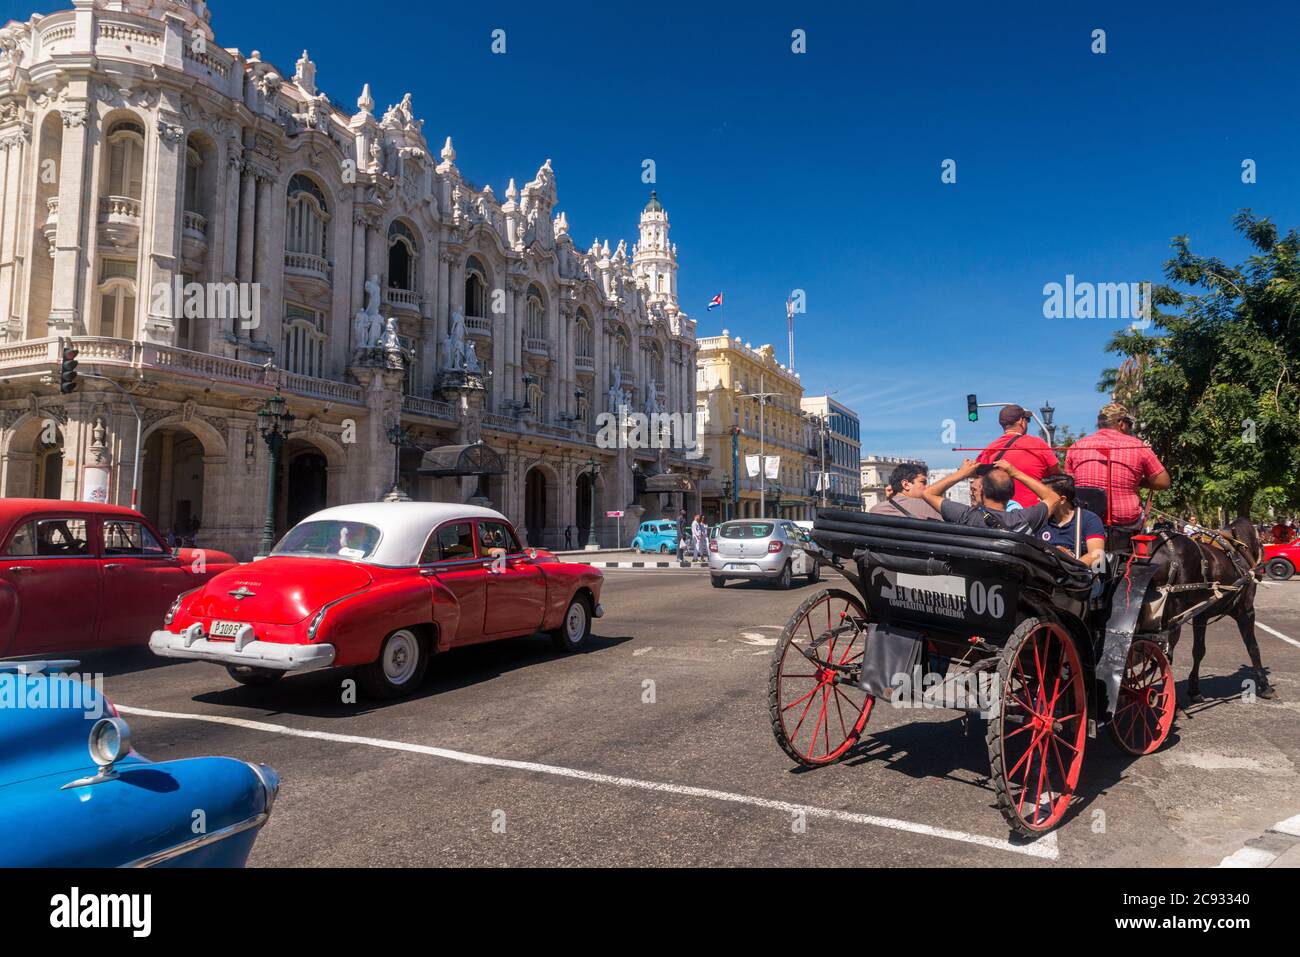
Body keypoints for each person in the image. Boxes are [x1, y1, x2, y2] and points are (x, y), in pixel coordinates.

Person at [1065, 403, 1170, 539]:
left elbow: (1069, 483)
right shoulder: (1137, 446)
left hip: (1084, 520)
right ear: (1121, 423)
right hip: (1124, 523)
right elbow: (1163, 482)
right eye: (1129, 424)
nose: (1130, 428)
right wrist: (1137, 481)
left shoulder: (1076, 446)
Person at [923, 458, 1060, 535]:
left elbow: (928, 493)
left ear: (982, 491)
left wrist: (962, 473)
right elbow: (1054, 497)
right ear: (1011, 494)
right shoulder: (1023, 520)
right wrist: (1016, 473)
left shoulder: (967, 516)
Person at [976, 404, 1060, 508]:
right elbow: (1056, 476)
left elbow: (980, 476)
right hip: (1033, 514)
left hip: (1000, 515)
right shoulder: (1037, 444)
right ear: (1021, 421)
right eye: (1027, 420)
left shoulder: (989, 449)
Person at [1038, 474, 1106, 567]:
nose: (1038, 499)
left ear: (1062, 500)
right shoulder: (1039, 518)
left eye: (1043, 496)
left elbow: (1096, 555)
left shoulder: (1089, 520)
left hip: (1079, 574)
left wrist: (1070, 567)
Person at [869, 462, 942, 520]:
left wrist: (890, 500)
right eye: (923, 482)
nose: (927, 487)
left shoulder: (876, 510)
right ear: (906, 484)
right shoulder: (930, 509)